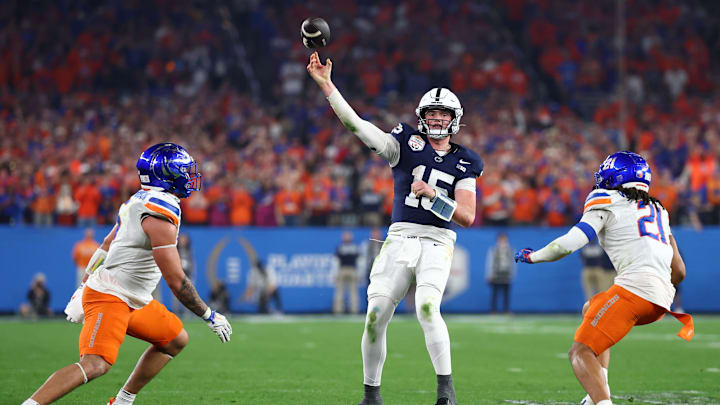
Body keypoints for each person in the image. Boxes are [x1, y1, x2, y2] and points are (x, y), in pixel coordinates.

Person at [308, 51, 483, 405]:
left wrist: (435, 196)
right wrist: (328, 86)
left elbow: (466, 216)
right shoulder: (403, 143)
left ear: (454, 119)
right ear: (421, 118)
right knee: (375, 315)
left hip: (437, 240)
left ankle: (445, 393)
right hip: (400, 237)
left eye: (443, 114)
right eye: (431, 114)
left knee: (428, 308)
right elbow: (358, 126)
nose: (436, 119)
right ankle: (371, 396)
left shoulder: (466, 161)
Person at [23, 143, 232, 405]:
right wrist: (209, 315)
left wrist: (84, 283)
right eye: (183, 171)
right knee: (95, 364)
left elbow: (107, 244)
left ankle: (122, 401)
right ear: (165, 174)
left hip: (134, 298)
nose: (189, 177)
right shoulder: (159, 213)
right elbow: (177, 281)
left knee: (175, 339)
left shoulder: (140, 199)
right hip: (112, 296)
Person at [514, 151, 694, 405]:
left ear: (615, 175)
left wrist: (534, 256)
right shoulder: (659, 209)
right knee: (593, 307)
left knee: (579, 352)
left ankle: (602, 402)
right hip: (662, 300)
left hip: (635, 291)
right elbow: (680, 272)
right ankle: (597, 390)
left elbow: (569, 244)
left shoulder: (606, 199)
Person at [240, 237, 282, 314]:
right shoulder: (253, 272)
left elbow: (272, 286)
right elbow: (251, 287)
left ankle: (279, 310)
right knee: (262, 310)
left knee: (276, 292)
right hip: (260, 292)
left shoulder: (269, 270)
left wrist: (267, 295)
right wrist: (247, 296)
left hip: (268, 291)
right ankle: (266, 310)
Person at [485, 232, 515, 314]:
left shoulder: (511, 250)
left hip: (506, 274)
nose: (502, 241)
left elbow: (513, 263)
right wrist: (489, 274)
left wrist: (512, 274)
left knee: (506, 294)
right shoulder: (494, 250)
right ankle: (493, 310)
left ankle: (506, 310)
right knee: (495, 294)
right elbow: (490, 262)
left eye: (504, 239)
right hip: (496, 274)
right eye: (501, 239)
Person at [334, 231, 360, 314]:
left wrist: (359, 272)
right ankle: (338, 310)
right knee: (340, 291)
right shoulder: (342, 247)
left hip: (352, 269)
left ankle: (354, 310)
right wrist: (335, 272)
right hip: (343, 269)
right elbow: (336, 261)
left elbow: (359, 261)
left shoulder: (353, 247)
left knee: (353, 291)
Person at [172, 233, 195, 317]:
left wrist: (191, 272)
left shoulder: (188, 250)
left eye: (184, 239)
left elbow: (192, 263)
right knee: (176, 294)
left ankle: (187, 312)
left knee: (188, 294)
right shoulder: (176, 250)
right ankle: (176, 311)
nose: (183, 241)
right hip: (178, 274)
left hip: (187, 274)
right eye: (181, 239)